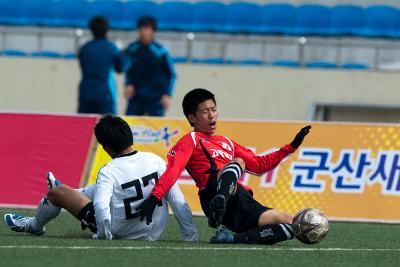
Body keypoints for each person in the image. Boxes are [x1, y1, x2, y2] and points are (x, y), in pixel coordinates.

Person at [136, 88, 311, 245]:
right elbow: (173, 170)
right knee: (238, 162)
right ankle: (219, 201)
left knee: (292, 224)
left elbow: (259, 165)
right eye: (205, 111)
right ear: (192, 118)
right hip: (211, 191)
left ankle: (231, 238)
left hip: (240, 200)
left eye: (213, 109)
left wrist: (291, 146)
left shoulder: (226, 142)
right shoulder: (191, 140)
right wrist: (155, 197)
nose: (212, 115)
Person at [3, 115, 198, 241]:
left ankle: (34, 225)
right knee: (103, 188)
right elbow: (178, 201)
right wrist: (191, 236)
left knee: (56, 193)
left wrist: (104, 235)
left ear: (106, 147)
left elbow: (103, 208)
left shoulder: (109, 169)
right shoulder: (156, 161)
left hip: (120, 232)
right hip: (153, 232)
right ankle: (74, 193)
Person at [124, 16, 176, 116]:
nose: (143, 32)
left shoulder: (161, 51)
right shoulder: (132, 49)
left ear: (153, 31)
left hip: (156, 99)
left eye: (147, 28)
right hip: (136, 99)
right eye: (141, 28)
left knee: (157, 129)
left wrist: (167, 94)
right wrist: (128, 84)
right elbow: (128, 70)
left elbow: (171, 74)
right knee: (127, 128)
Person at [78, 16, 125, 115]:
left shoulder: (84, 49)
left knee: (84, 126)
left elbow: (82, 66)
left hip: (86, 92)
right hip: (105, 93)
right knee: (110, 127)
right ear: (107, 30)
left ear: (91, 30)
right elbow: (120, 68)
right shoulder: (113, 49)